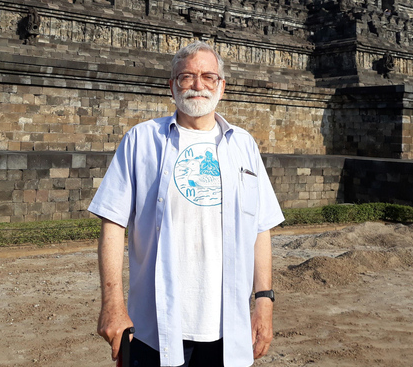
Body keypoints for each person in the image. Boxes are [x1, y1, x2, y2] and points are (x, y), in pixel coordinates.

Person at [89, 41, 284, 367]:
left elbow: (260, 228)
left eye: (208, 76)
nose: (197, 85)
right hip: (155, 326)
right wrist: (113, 305)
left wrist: (264, 302)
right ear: (171, 85)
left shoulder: (244, 145)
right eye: (186, 77)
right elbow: (112, 223)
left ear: (222, 86)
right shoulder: (141, 140)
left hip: (228, 327)